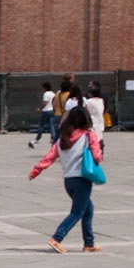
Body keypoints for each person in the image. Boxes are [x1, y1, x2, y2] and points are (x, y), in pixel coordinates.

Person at [31, 104, 105, 253]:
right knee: (77, 212)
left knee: (88, 209)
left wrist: (36, 170)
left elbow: (49, 158)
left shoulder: (62, 139)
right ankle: (57, 238)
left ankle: (89, 243)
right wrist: (98, 157)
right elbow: (97, 155)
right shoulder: (88, 135)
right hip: (82, 179)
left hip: (68, 181)